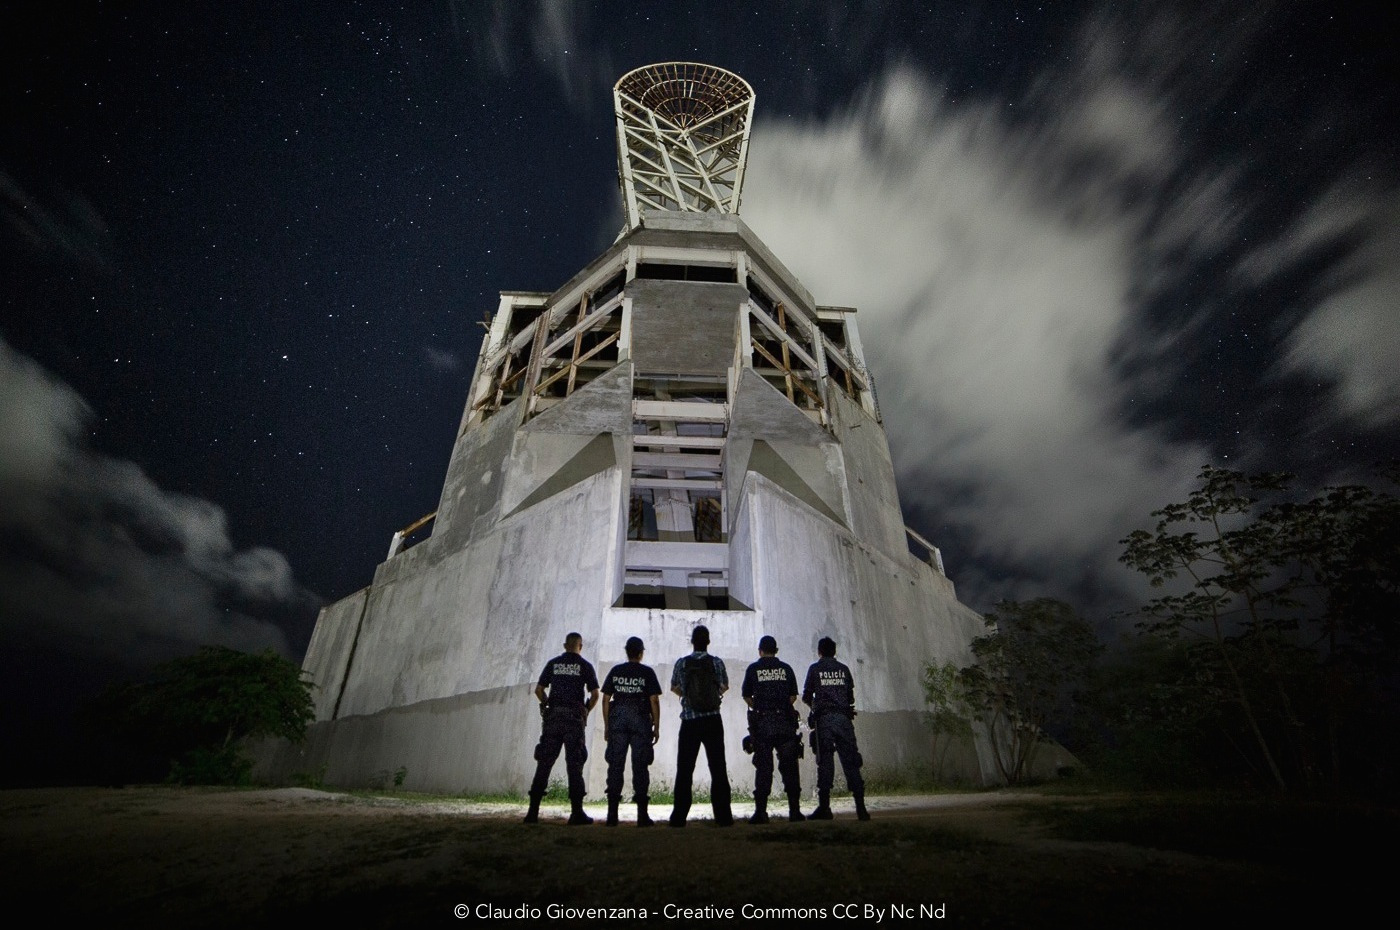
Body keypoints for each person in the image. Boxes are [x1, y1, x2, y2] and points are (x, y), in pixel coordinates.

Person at [524, 631, 599, 825]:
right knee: (575, 765)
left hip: (554, 719)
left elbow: (539, 690)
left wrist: (547, 704)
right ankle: (576, 813)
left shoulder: (553, 664)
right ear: (580, 647)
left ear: (565, 646)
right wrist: (586, 710)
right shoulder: (585, 666)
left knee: (544, 763)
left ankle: (533, 813)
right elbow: (595, 694)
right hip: (574, 720)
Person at [668, 625, 734, 827]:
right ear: (708, 642)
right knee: (718, 768)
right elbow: (724, 685)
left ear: (692, 641)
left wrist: (688, 698)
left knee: (685, 769)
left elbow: (674, 687)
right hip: (712, 719)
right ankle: (723, 817)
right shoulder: (716, 662)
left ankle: (679, 817)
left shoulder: (682, 663)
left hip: (689, 721)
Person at [802, 636, 869, 821]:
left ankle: (824, 808)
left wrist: (816, 706)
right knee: (851, 762)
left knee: (825, 762)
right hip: (843, 721)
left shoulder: (815, 669)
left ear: (819, 652)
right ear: (835, 651)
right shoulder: (844, 669)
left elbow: (806, 695)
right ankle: (861, 809)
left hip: (824, 721)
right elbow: (850, 698)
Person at [741, 635, 804, 825]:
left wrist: (760, 708)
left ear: (760, 651)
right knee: (790, 767)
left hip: (763, 725)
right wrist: (783, 706)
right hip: (784, 723)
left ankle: (760, 812)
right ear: (776, 651)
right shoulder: (786, 669)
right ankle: (795, 811)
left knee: (763, 768)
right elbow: (793, 695)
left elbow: (746, 696)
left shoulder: (753, 669)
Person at [601, 636, 662, 827]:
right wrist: (657, 726)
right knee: (640, 767)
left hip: (618, 721)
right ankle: (642, 816)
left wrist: (607, 726)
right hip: (640, 722)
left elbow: (605, 699)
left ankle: (612, 816)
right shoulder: (647, 672)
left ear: (627, 652)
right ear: (641, 653)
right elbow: (654, 700)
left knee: (615, 766)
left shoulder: (616, 671)